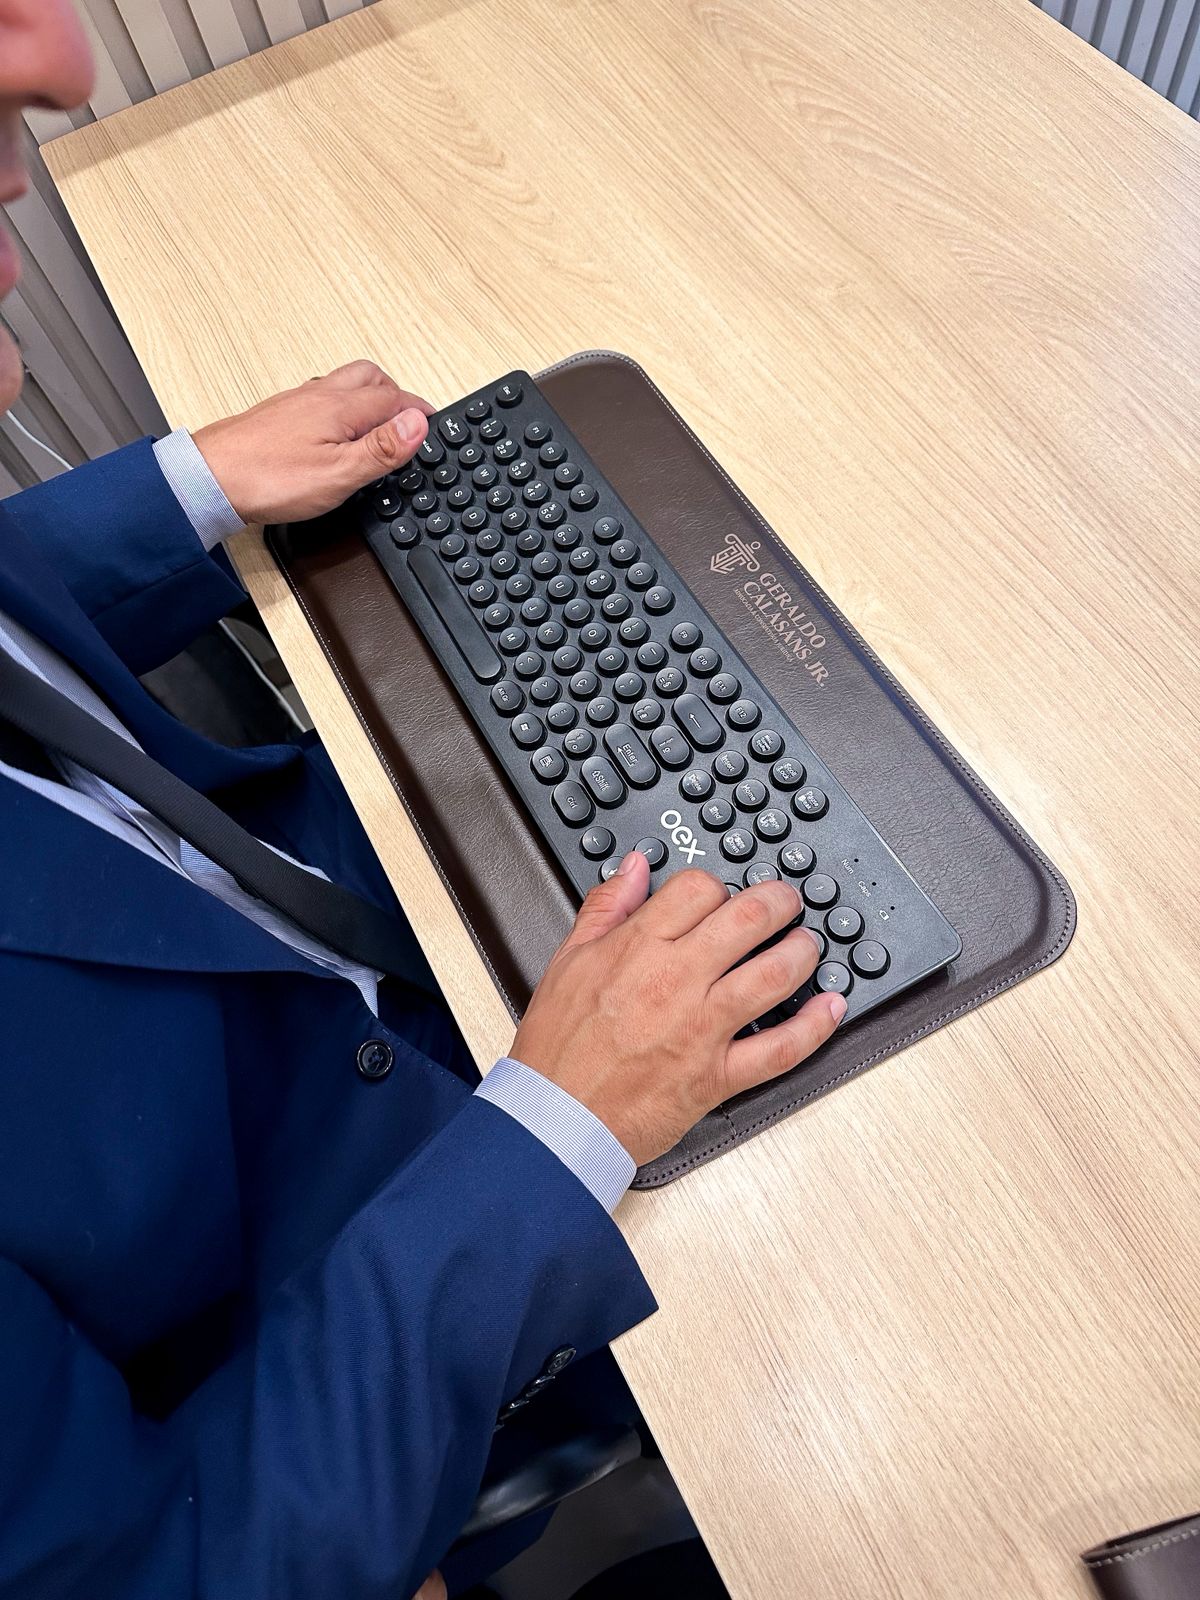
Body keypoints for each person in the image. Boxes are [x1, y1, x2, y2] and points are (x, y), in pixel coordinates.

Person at [0, 4, 846, 1596]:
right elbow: (176, 1567)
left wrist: (186, 491)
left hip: (332, 895)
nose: (54, 54)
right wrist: (558, 1134)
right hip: (360, 1259)